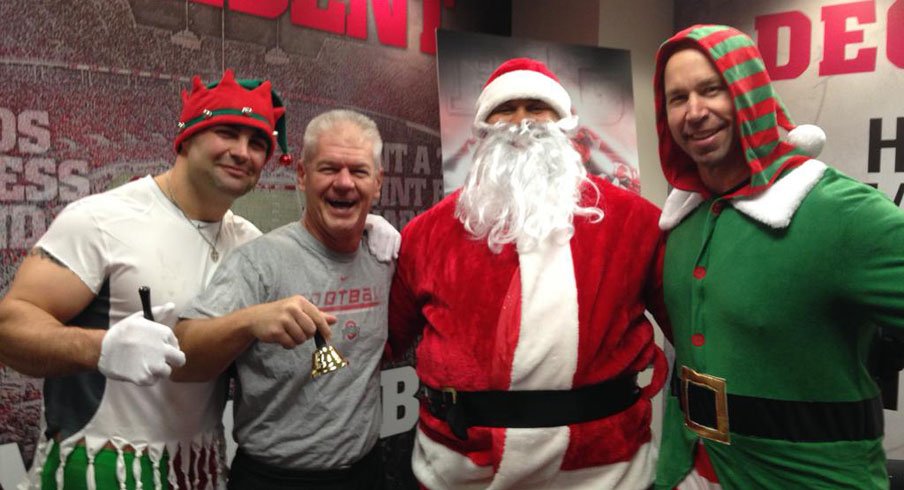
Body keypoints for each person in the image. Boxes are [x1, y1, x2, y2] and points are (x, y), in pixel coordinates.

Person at [0, 71, 397, 490]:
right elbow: (10, 326)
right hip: (98, 465)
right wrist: (98, 348)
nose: (242, 153)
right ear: (186, 138)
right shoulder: (101, 219)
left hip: (200, 468)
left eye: (258, 143)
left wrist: (365, 224)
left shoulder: (247, 241)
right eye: (227, 133)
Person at [388, 58, 669, 489]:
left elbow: (695, 329)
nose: (521, 122)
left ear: (564, 124)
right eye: (506, 109)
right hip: (459, 470)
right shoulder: (427, 233)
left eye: (537, 107)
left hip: (604, 472)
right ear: (482, 128)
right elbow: (385, 341)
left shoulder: (635, 223)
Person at [652, 24, 904, 489]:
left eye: (713, 90)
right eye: (677, 98)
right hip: (688, 471)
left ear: (750, 94)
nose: (695, 112)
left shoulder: (841, 213)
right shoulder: (681, 220)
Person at [173, 109, 394, 490]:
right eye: (328, 169)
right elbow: (181, 355)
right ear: (303, 176)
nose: (344, 183)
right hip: (276, 479)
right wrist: (249, 321)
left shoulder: (386, 257)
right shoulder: (260, 261)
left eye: (358, 172)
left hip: (366, 472)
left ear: (377, 183)